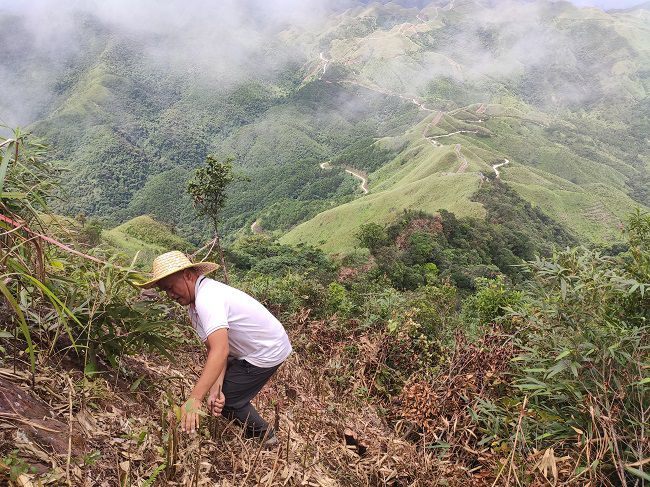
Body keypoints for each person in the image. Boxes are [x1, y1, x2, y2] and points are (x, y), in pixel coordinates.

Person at [136, 251, 291, 444]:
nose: (170, 295)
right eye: (166, 291)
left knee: (231, 401)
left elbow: (221, 350)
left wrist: (195, 399)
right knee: (222, 396)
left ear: (187, 275)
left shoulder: (208, 298)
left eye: (171, 287)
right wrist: (215, 391)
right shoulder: (194, 307)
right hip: (250, 347)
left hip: (267, 349)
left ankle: (265, 437)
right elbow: (214, 349)